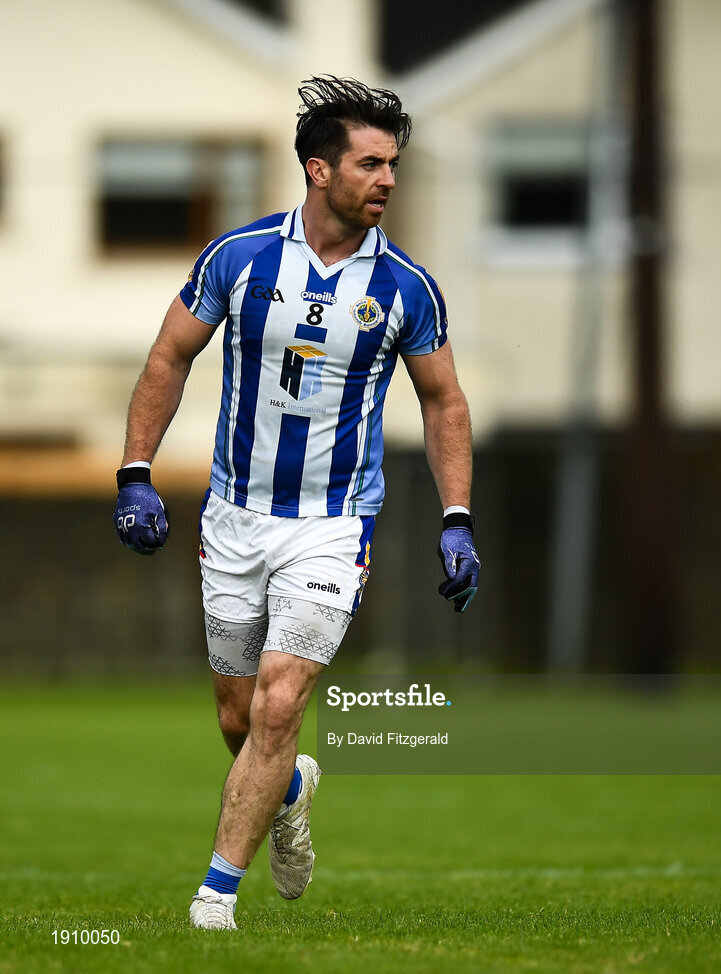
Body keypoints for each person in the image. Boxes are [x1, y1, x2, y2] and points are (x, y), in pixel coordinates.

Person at [113, 75, 480, 931]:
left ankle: (214, 900)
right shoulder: (237, 258)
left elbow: (445, 403)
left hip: (333, 523)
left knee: (282, 701)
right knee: (240, 717)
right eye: (371, 163)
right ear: (319, 170)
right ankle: (290, 789)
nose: (389, 179)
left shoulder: (408, 289)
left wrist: (457, 517)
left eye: (395, 165)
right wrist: (136, 471)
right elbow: (169, 357)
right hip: (234, 519)